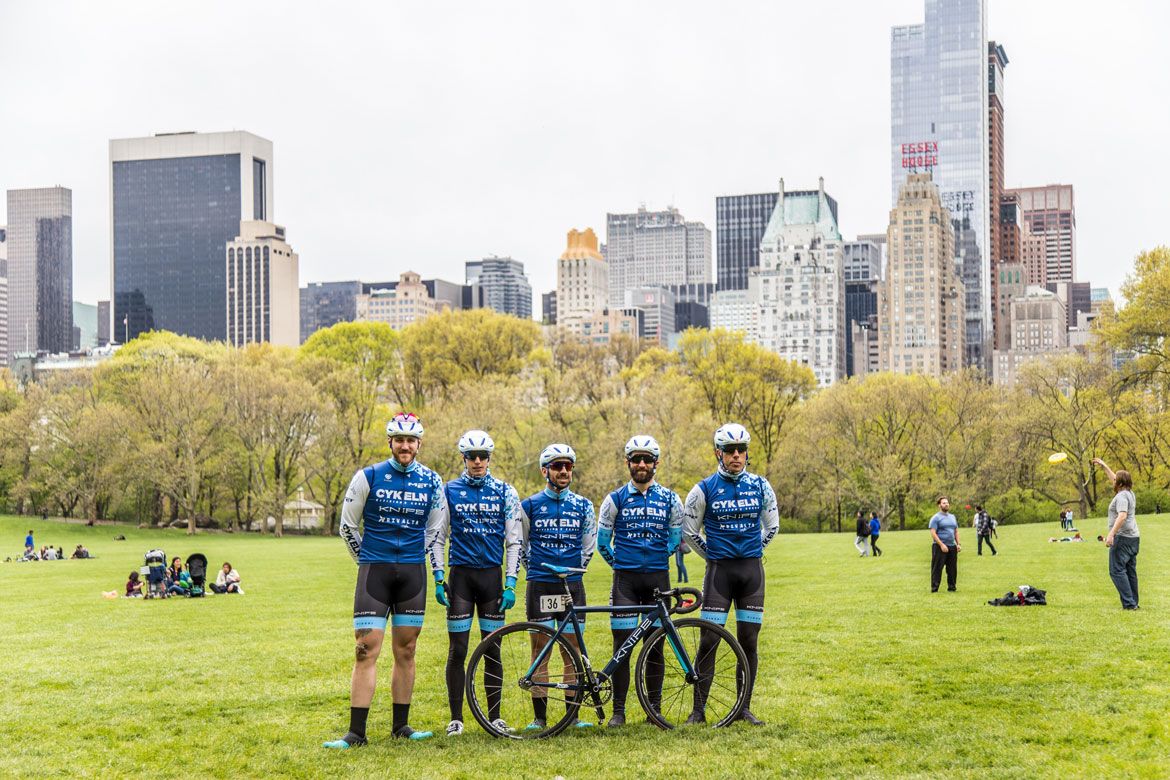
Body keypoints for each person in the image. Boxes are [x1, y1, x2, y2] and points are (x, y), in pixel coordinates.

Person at [324, 412, 449, 749]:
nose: (405, 446)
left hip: (412, 574)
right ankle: (356, 733)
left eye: (410, 441)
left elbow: (437, 530)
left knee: (406, 650)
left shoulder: (433, 482)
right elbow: (347, 526)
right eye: (399, 440)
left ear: (419, 444)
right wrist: (365, 558)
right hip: (374, 573)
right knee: (365, 650)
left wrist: (415, 555)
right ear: (390, 442)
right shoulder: (368, 476)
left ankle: (401, 727)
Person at [683, 422, 779, 726]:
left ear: (747, 453)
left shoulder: (761, 485)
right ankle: (698, 711)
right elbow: (689, 531)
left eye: (741, 450)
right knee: (709, 640)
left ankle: (743, 708)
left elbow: (772, 526)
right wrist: (712, 554)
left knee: (748, 641)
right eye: (729, 450)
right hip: (719, 574)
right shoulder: (703, 489)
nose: (736, 455)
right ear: (718, 453)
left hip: (751, 572)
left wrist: (753, 549)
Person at [429, 430, 522, 737]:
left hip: (492, 579)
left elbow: (514, 540)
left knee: (492, 649)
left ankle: (494, 717)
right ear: (464, 459)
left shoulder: (505, 491)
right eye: (472, 457)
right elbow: (438, 536)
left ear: (489, 459)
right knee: (458, 649)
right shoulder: (448, 490)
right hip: (461, 579)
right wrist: (439, 576)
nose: (478, 462)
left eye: (483, 457)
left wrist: (510, 582)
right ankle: (456, 718)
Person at [597, 435, 685, 728]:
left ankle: (653, 710)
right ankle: (618, 712)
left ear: (656, 463)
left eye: (647, 459)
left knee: (655, 646)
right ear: (629, 463)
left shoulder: (672, 499)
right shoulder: (615, 498)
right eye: (636, 459)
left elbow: (675, 539)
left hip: (658, 580)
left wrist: (657, 561)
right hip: (624, 582)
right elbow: (602, 543)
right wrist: (621, 565)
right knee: (622, 646)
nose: (642, 464)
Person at [518, 443, 597, 731]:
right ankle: (540, 718)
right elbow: (521, 546)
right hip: (540, 583)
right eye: (556, 466)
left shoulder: (584, 505)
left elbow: (589, 547)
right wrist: (538, 570)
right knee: (540, 650)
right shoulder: (528, 505)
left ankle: (571, 716)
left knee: (572, 651)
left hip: (572, 585)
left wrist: (572, 572)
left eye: (568, 466)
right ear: (545, 471)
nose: (563, 471)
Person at [1092, 458, 1140, 610]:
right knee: (1130, 571)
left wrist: (1111, 534)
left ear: (1119, 484)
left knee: (1117, 571)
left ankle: (1129, 603)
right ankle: (1133, 603)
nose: (1113, 482)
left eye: (1115, 481)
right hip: (1134, 538)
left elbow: (1122, 515)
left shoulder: (1121, 497)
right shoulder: (1129, 493)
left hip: (1123, 538)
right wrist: (1104, 465)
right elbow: (1115, 477)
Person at [928, 496, 961, 592]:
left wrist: (958, 544)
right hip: (939, 546)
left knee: (952, 569)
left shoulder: (952, 517)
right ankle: (934, 588)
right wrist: (941, 545)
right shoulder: (936, 518)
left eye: (947, 503)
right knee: (937, 568)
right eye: (944, 503)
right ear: (939, 505)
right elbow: (933, 533)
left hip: (952, 546)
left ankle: (952, 587)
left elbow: (956, 531)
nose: (946, 504)